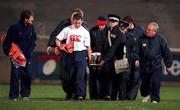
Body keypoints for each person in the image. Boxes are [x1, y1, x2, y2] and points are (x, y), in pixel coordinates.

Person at [101, 16, 139, 100]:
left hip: (124, 60)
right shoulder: (116, 35)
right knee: (115, 79)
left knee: (123, 80)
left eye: (124, 27)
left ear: (126, 28)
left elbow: (133, 49)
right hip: (115, 60)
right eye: (121, 27)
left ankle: (122, 97)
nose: (123, 29)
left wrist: (135, 59)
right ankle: (113, 96)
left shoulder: (131, 37)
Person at [56, 12, 91, 101]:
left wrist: (90, 58)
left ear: (81, 21)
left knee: (80, 76)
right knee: (69, 76)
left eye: (79, 23)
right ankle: (70, 93)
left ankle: (80, 95)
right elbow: (58, 38)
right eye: (75, 22)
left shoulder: (85, 32)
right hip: (70, 54)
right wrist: (60, 46)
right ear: (73, 21)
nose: (77, 24)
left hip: (81, 53)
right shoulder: (67, 29)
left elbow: (88, 46)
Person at [3, 10, 37, 101]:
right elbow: (8, 41)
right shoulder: (14, 27)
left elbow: (34, 40)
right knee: (15, 76)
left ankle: (25, 95)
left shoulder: (31, 27)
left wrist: (30, 51)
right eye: (31, 19)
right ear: (25, 19)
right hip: (16, 57)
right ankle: (13, 96)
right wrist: (8, 53)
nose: (32, 21)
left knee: (27, 75)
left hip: (28, 57)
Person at [139, 22, 173, 103]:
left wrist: (168, 65)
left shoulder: (161, 40)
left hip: (156, 65)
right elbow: (136, 50)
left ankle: (155, 99)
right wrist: (136, 59)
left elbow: (167, 53)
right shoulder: (142, 39)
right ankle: (146, 94)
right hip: (144, 66)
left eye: (149, 30)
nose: (146, 31)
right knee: (144, 85)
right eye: (147, 29)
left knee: (155, 82)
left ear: (154, 31)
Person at [122, 16, 145, 100]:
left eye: (126, 24)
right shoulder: (123, 30)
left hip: (137, 58)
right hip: (126, 58)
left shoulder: (140, 31)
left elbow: (143, 46)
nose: (124, 25)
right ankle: (124, 95)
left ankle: (131, 96)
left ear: (131, 23)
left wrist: (139, 58)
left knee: (135, 78)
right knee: (125, 78)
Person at [89, 16, 108, 99]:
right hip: (94, 55)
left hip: (105, 56)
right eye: (100, 25)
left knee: (104, 76)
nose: (101, 26)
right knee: (93, 76)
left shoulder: (109, 31)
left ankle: (104, 94)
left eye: (103, 25)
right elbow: (89, 44)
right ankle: (93, 95)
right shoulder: (93, 31)